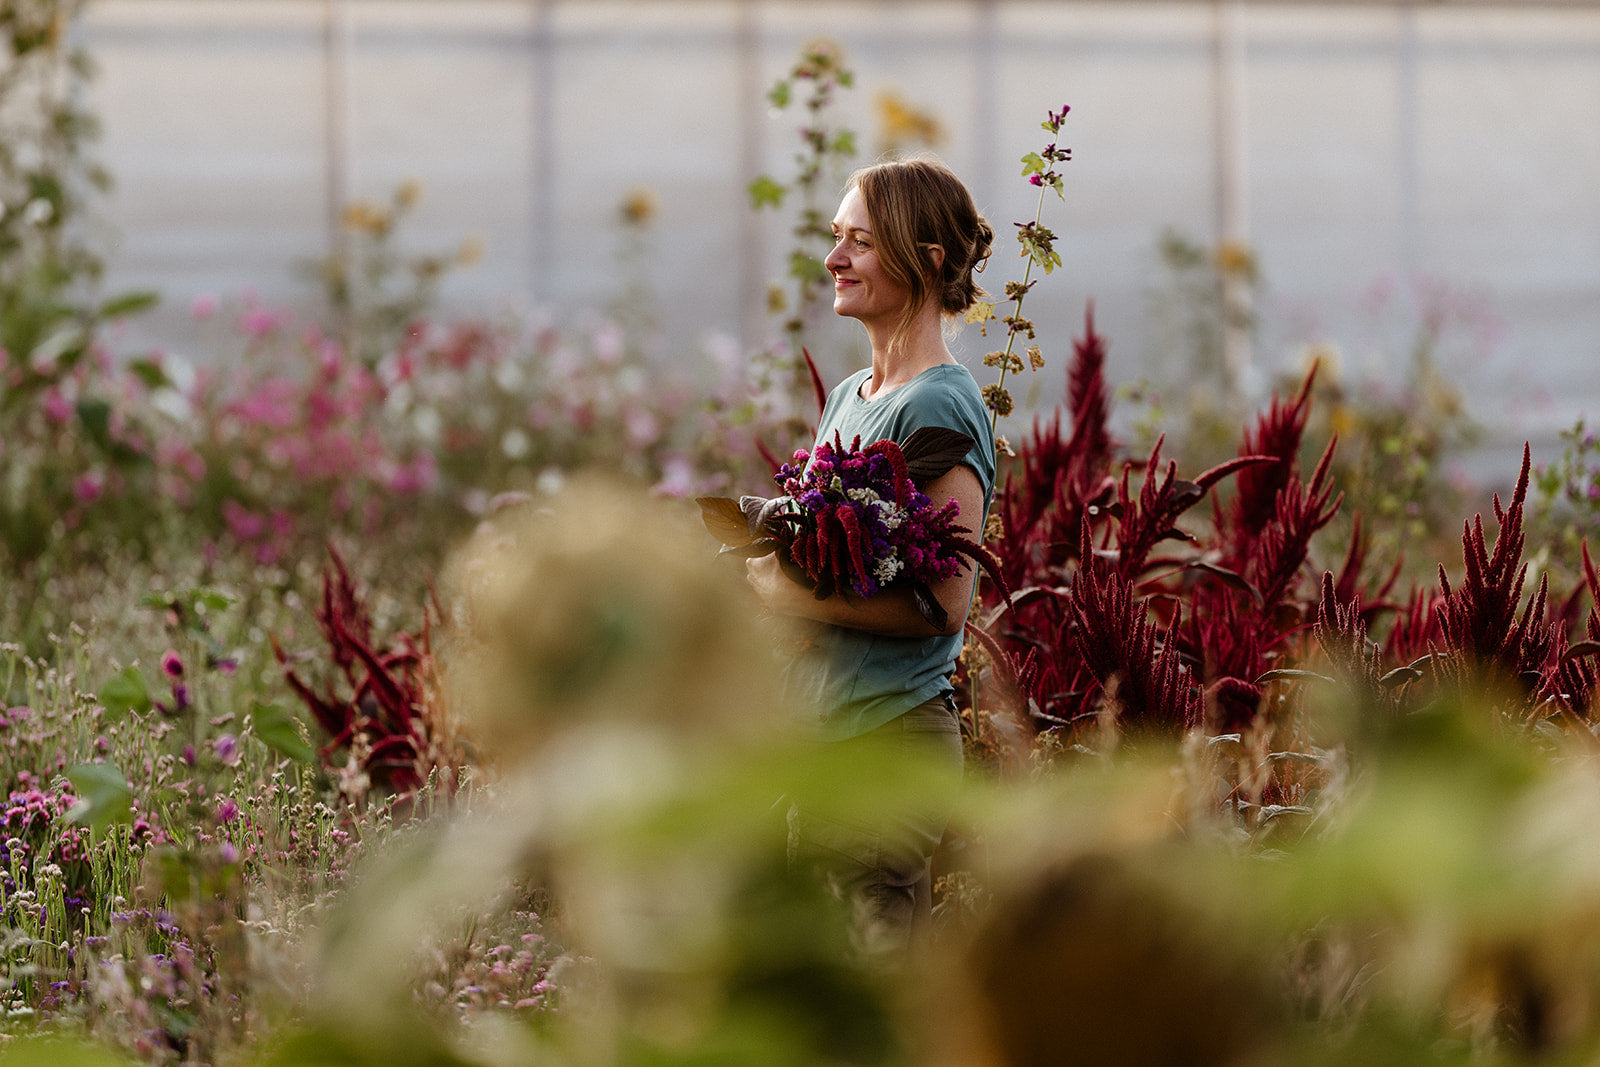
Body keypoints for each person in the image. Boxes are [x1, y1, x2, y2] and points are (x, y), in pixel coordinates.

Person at [745, 157, 997, 962]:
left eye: (860, 241)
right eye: (836, 238)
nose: (835, 258)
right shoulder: (854, 394)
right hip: (821, 741)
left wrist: (785, 598)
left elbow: (947, 604)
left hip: (886, 741)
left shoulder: (940, 403)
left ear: (924, 260)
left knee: (873, 997)